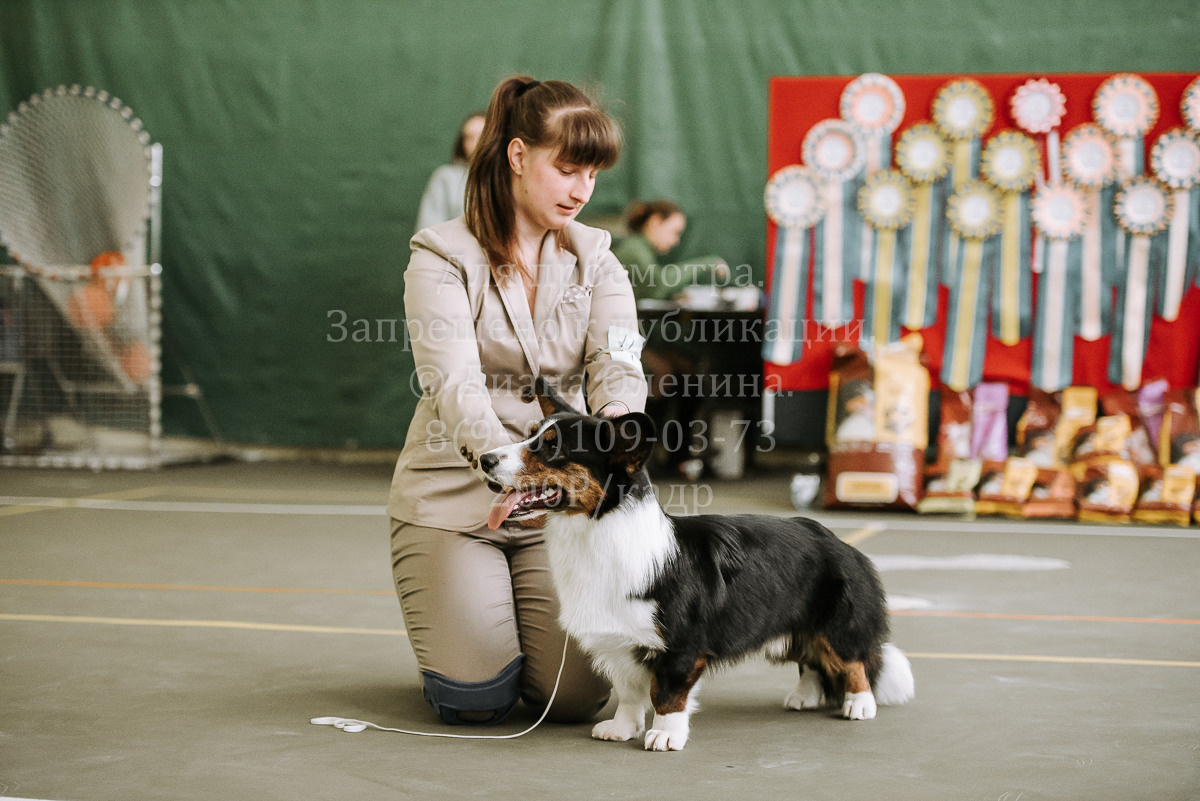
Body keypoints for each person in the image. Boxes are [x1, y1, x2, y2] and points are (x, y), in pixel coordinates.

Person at [388, 75, 647, 727]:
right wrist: (511, 465)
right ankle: (462, 644)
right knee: (475, 701)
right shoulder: (440, 255)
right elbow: (454, 384)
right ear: (518, 155)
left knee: (577, 700)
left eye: (593, 175)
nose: (582, 190)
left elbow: (617, 361)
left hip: (555, 505)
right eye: (568, 169)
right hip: (454, 499)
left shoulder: (598, 256)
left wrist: (618, 425)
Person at [612, 200, 727, 478]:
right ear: (655, 222)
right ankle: (641, 458)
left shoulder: (640, 250)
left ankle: (676, 457)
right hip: (616, 341)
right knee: (665, 374)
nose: (675, 241)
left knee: (689, 373)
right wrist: (708, 263)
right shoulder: (633, 250)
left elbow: (647, 291)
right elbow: (657, 285)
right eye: (674, 232)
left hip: (635, 339)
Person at [413, 112, 486, 232]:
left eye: (482, 136)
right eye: (469, 137)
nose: (476, 143)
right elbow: (428, 231)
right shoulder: (446, 177)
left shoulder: (509, 179)